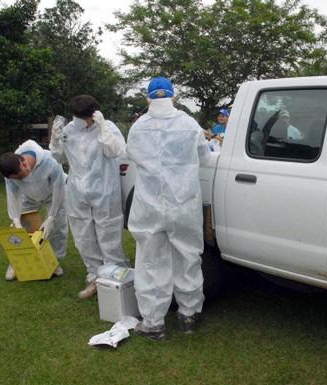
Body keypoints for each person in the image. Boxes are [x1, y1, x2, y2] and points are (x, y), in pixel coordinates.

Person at [126, 76, 214, 340]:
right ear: (173, 96)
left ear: (149, 98)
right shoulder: (189, 124)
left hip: (149, 204)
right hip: (183, 203)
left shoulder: (138, 127)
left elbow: (132, 155)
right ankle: (189, 315)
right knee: (187, 257)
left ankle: (153, 323)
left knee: (151, 261)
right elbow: (206, 158)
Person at [50, 95, 130, 299]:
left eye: (87, 119)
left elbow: (116, 151)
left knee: (108, 231)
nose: (83, 123)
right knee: (82, 234)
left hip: (104, 188)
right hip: (77, 189)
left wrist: (102, 128)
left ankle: (116, 276)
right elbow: (58, 158)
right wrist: (55, 140)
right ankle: (94, 276)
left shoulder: (107, 127)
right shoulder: (69, 131)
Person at [0, 140, 68, 280]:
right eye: (16, 179)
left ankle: (53, 262)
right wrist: (16, 219)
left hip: (53, 195)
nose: (19, 180)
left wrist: (51, 218)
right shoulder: (10, 172)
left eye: (21, 176)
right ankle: (16, 263)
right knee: (23, 228)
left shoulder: (51, 162)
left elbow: (59, 190)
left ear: (24, 163)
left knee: (57, 227)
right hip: (28, 197)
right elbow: (12, 196)